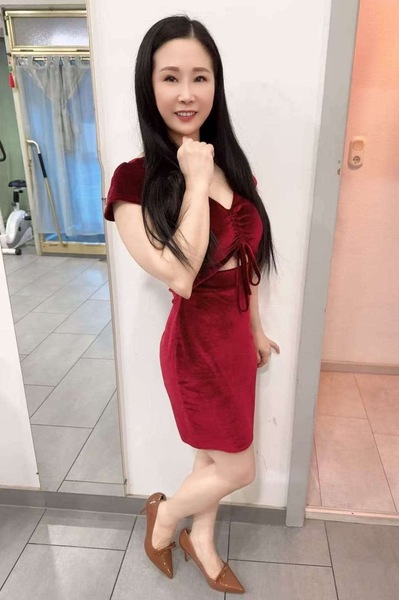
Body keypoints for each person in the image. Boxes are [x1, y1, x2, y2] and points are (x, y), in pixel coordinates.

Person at [104, 14, 280, 594]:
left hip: (234, 343)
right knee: (238, 467)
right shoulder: (133, 182)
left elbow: (249, 258)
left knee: (214, 459)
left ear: (215, 85)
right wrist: (196, 181)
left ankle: (200, 541)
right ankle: (165, 519)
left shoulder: (234, 166)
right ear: (148, 86)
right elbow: (181, 276)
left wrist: (255, 329)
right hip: (195, 347)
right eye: (170, 77)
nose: (186, 93)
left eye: (200, 77)